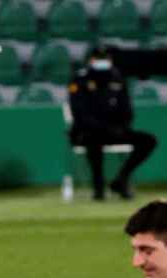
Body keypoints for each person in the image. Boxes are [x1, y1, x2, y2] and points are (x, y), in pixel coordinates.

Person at [68, 47, 157, 201]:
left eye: (105, 59)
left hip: (115, 131)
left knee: (148, 140)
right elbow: (79, 113)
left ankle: (121, 179)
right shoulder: (80, 80)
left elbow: (127, 109)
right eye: (99, 59)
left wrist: (121, 127)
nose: (103, 62)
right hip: (88, 132)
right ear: (91, 61)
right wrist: (103, 127)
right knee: (93, 141)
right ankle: (98, 187)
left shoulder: (117, 79)